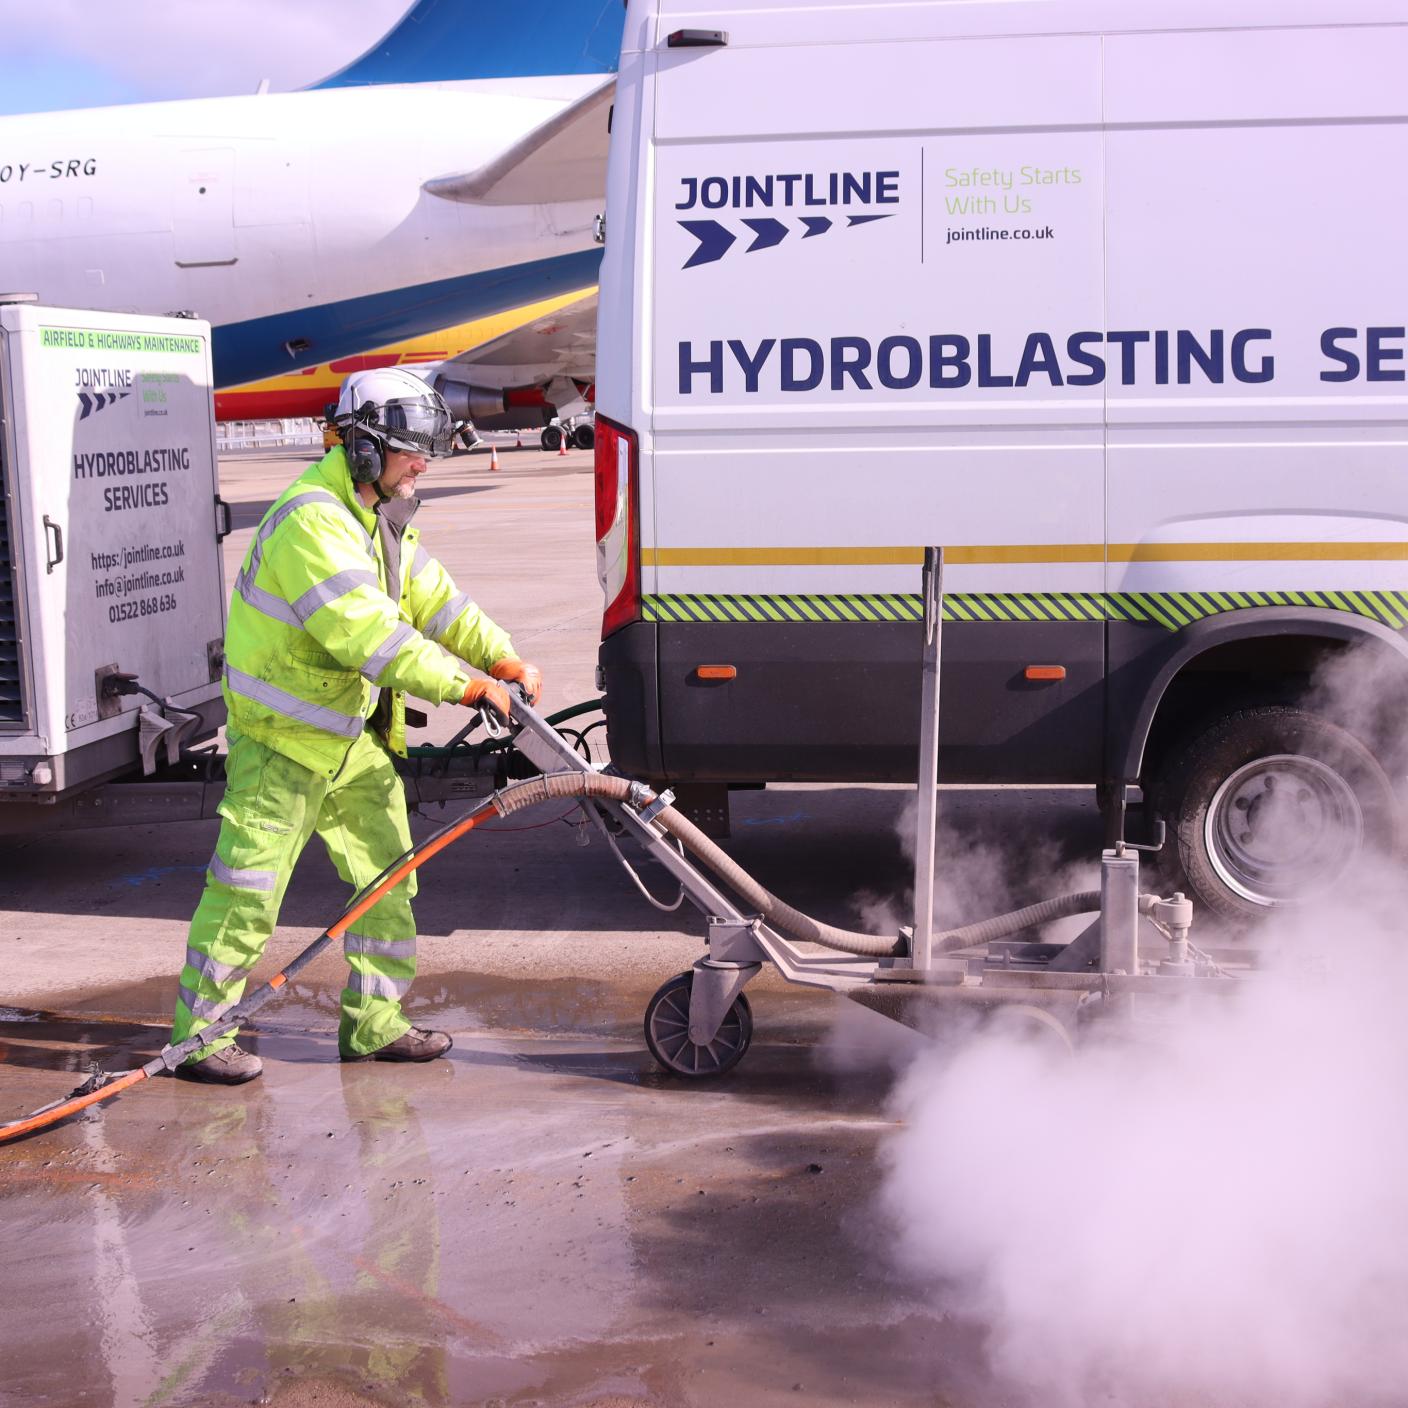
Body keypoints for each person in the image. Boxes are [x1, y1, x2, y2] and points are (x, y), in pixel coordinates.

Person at [171, 367, 542, 1084]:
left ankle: (375, 1025)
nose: (421, 466)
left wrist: (500, 655)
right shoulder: (312, 521)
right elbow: (370, 635)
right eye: (410, 452)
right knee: (247, 893)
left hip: (347, 737)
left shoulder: (375, 514)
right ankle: (200, 1040)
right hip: (281, 740)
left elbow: (435, 600)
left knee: (388, 877)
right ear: (364, 448)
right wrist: (467, 686)